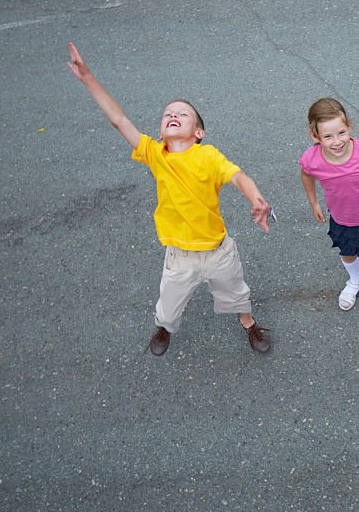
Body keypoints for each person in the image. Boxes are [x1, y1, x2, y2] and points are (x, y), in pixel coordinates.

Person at [66, 42, 272, 356]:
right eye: (167, 114)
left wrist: (255, 196)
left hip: (218, 251)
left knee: (236, 294)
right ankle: (164, 327)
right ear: (162, 131)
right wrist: (89, 79)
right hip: (179, 256)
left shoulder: (208, 156)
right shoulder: (155, 154)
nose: (173, 115)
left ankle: (248, 321)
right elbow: (119, 120)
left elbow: (238, 176)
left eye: (182, 114)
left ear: (199, 132)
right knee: (169, 304)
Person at [299, 97, 359, 331]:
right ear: (315, 136)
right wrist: (313, 202)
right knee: (347, 254)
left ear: (349, 126)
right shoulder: (311, 160)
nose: (337, 141)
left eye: (341, 132)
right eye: (328, 136)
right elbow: (306, 176)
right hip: (340, 218)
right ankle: (354, 280)